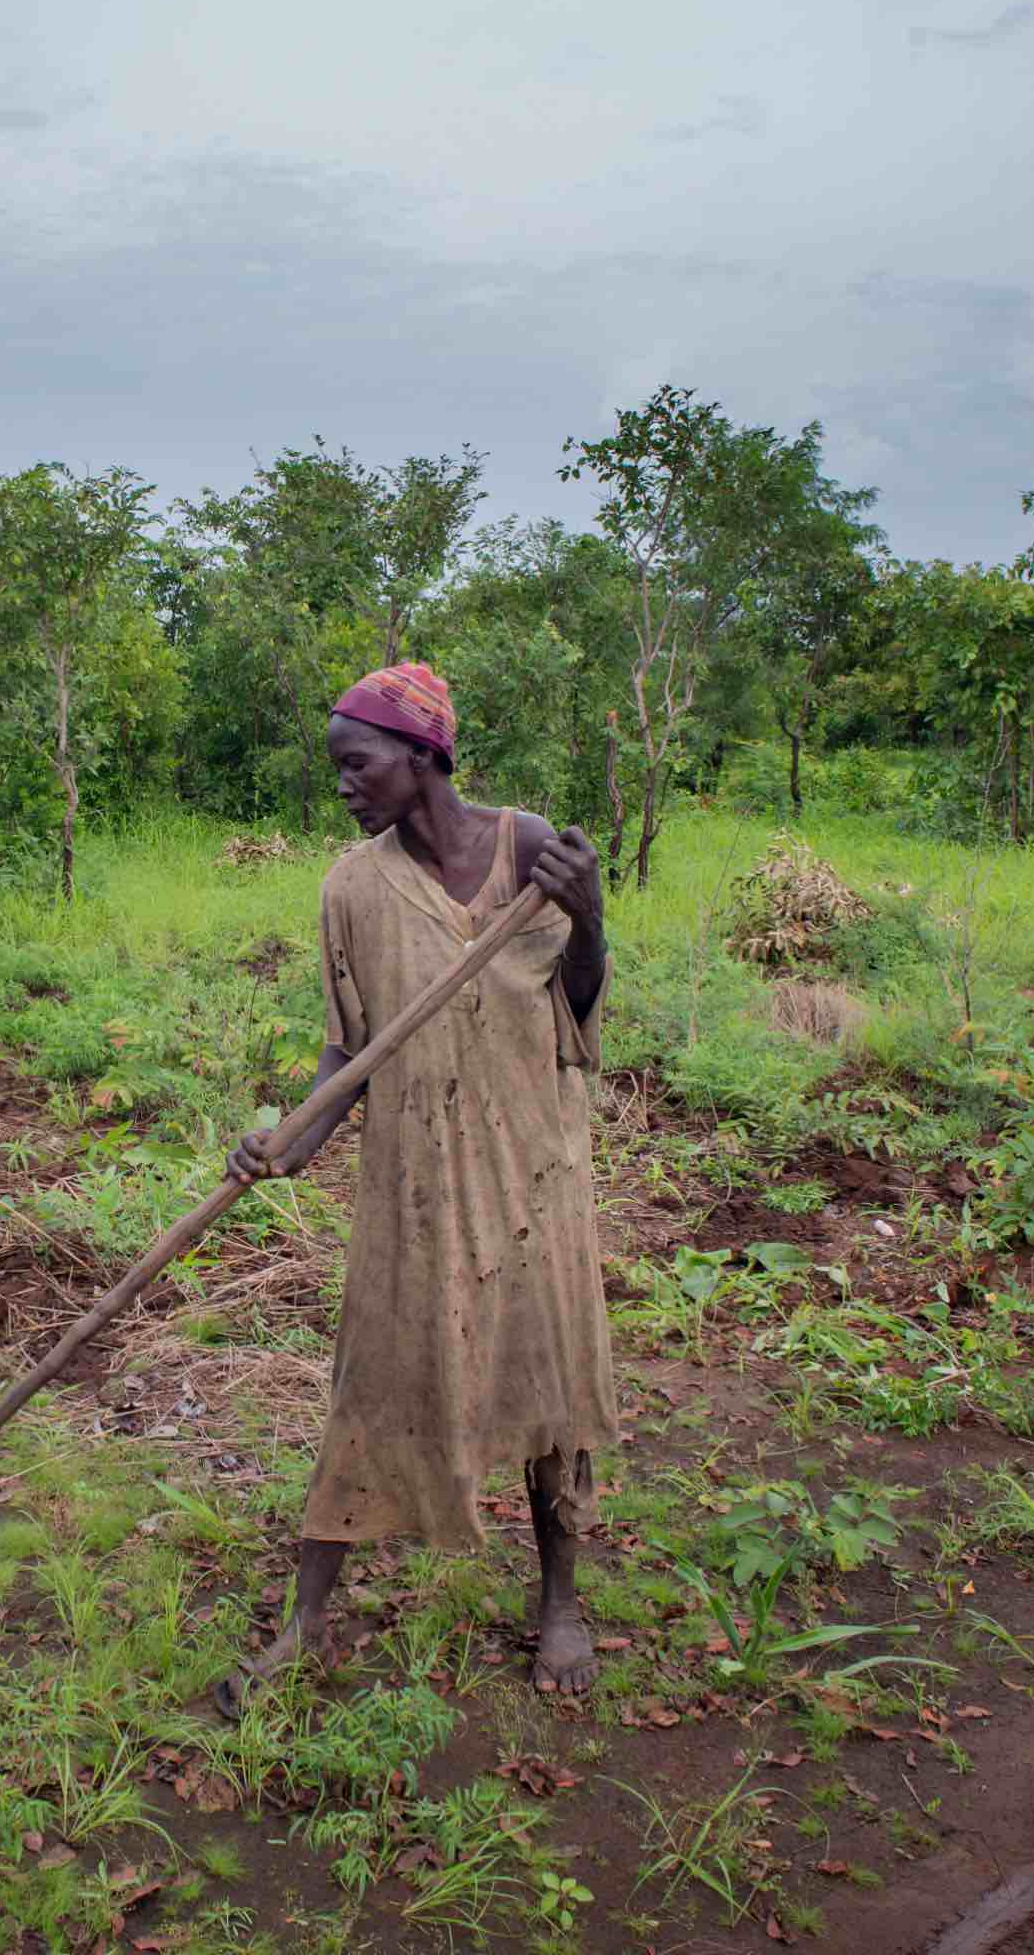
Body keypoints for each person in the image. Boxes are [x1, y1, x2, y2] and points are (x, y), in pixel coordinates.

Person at [214, 662, 618, 1711]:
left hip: (535, 1170)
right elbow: (347, 1052)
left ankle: (561, 1604)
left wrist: (593, 918)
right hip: (416, 1188)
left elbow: (578, 1010)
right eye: (337, 768)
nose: (344, 785)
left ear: (424, 755)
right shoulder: (351, 886)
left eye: (359, 763)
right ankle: (303, 1623)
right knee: (373, 1387)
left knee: (551, 1390)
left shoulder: (532, 848)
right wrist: (285, 1142)